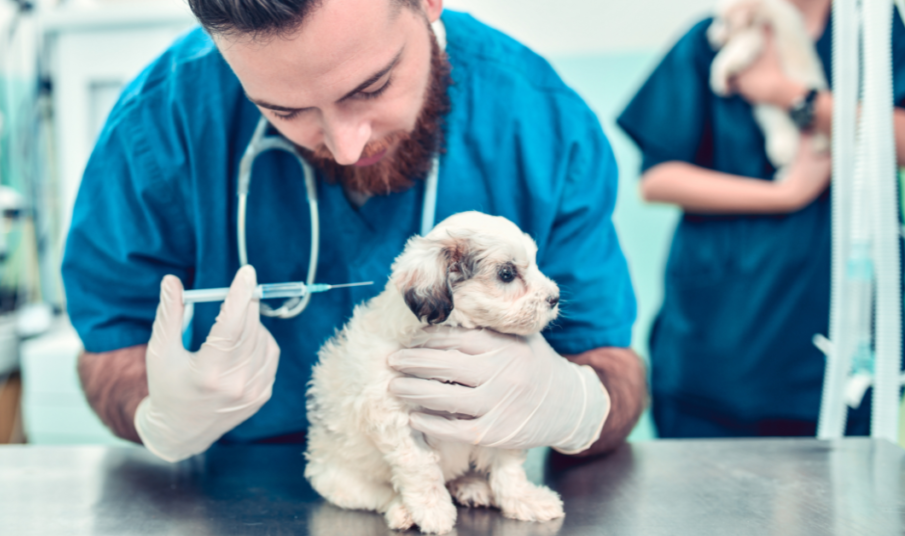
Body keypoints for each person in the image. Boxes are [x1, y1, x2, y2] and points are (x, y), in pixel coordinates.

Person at [63, 0, 645, 464]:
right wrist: (159, 410)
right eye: (285, 111)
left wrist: (574, 405)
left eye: (370, 88)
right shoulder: (162, 122)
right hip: (237, 493)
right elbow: (108, 353)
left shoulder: (540, 123)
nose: (346, 146)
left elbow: (615, 366)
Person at [618, 0, 905, 438]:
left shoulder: (873, 34)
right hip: (719, 342)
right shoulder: (711, 39)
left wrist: (787, 93)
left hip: (831, 340)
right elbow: (657, 178)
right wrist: (785, 194)